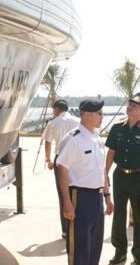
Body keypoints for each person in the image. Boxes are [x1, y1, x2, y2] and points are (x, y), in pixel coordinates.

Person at [56, 98, 112, 265]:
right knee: (79, 247)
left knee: (95, 246)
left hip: (97, 199)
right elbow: (62, 169)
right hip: (79, 198)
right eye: (99, 113)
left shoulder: (97, 138)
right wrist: (67, 202)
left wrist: (107, 196)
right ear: (86, 115)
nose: (102, 117)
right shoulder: (73, 139)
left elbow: (101, 170)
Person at [105, 92, 140, 265]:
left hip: (139, 177)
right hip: (120, 175)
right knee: (119, 215)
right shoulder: (117, 128)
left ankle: (138, 253)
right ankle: (120, 252)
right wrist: (105, 174)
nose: (130, 107)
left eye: (134, 106)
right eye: (130, 104)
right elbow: (111, 152)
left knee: (139, 216)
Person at [43, 99, 80, 238]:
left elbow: (48, 142)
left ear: (57, 109)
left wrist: (48, 160)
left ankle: (65, 229)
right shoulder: (77, 121)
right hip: (76, 160)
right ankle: (77, 226)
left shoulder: (53, 123)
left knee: (63, 194)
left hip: (60, 159)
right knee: (76, 192)